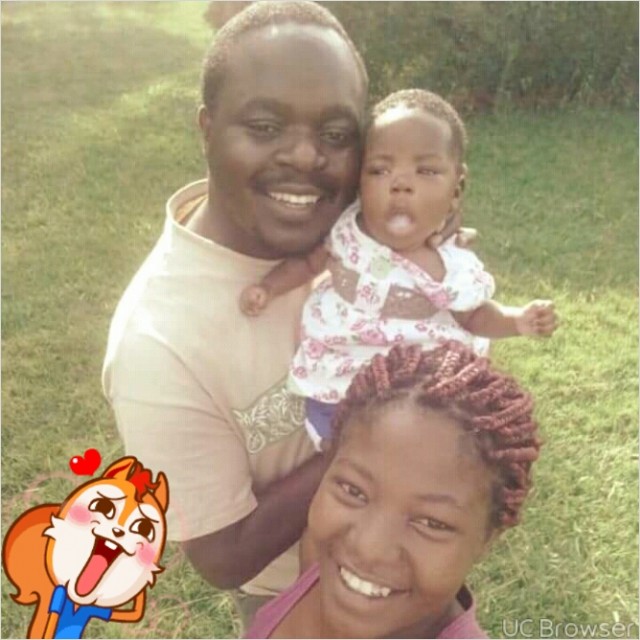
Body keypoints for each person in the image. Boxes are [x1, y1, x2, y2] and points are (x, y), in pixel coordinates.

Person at [101, 0, 370, 623]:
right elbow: (223, 555)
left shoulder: (357, 229)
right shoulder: (157, 343)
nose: (306, 157)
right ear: (207, 128)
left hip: (414, 558)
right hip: (302, 602)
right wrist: (373, 435)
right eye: (266, 126)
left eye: (336, 135)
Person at [239, 89, 557, 448]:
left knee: (420, 447)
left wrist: (517, 321)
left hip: (417, 395)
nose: (401, 184)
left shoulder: (452, 267)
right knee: (338, 449)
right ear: (360, 181)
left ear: (457, 189)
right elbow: (309, 263)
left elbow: (475, 316)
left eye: (426, 171)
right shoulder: (347, 230)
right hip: (336, 381)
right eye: (380, 170)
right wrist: (269, 287)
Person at [245, 340, 542, 638]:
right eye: (353, 491)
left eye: (431, 522)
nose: (369, 549)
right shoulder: (319, 561)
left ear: (486, 539)